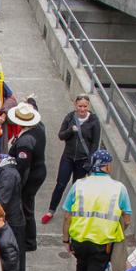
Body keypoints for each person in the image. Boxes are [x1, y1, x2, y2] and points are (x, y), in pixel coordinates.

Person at [62, 149, 132, 271]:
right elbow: (126, 219)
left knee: (81, 270)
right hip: (103, 245)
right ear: (107, 166)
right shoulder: (119, 189)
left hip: (79, 241)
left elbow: (67, 215)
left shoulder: (79, 185)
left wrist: (66, 240)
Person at [42, 93, 101, 224]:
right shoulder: (70, 117)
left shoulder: (94, 121)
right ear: (75, 105)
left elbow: (95, 143)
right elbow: (61, 135)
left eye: (85, 106)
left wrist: (89, 159)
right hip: (68, 156)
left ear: (88, 106)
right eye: (80, 106)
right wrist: (70, 130)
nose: (82, 109)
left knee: (77, 186)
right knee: (60, 184)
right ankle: (51, 210)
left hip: (82, 159)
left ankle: (74, 212)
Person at [8, 99, 47, 254]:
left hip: (31, 175)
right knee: (28, 206)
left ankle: (29, 241)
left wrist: (17, 185)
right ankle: (29, 239)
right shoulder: (39, 128)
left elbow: (22, 167)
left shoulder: (25, 141)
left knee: (26, 207)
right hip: (38, 171)